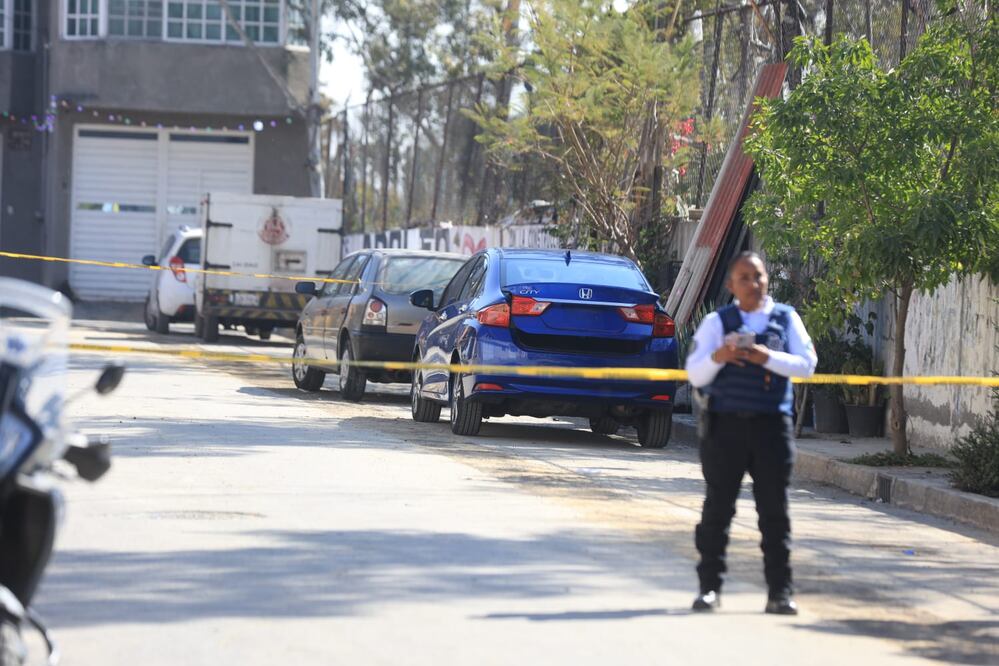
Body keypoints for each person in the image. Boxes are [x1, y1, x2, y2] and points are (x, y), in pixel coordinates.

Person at [684, 251, 817, 615]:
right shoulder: (717, 322)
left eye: (757, 276)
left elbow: (806, 366)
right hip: (725, 428)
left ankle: (780, 592)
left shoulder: (785, 318)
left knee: (774, 512)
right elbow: (694, 374)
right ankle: (709, 588)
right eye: (744, 277)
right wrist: (720, 357)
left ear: (766, 279)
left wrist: (765, 358)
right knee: (717, 510)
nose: (752, 284)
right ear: (731, 285)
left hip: (771, 428)